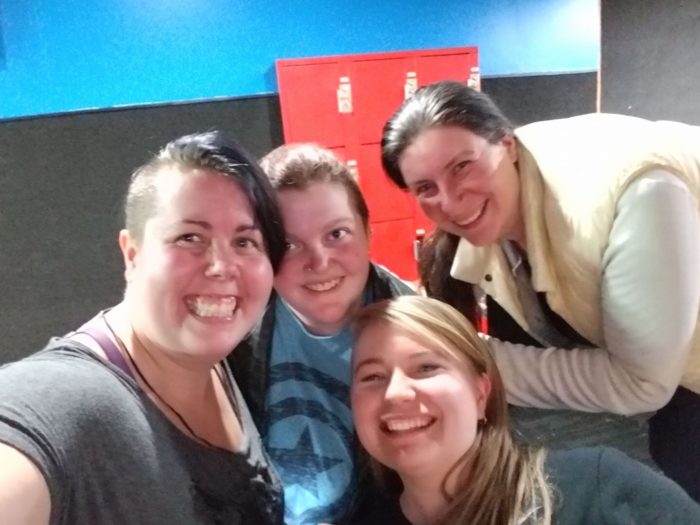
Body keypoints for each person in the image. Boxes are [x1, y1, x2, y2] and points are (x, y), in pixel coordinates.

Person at [380, 81, 700, 498]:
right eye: (425, 188)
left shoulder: (635, 196)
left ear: (507, 144)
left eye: (462, 165)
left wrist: (465, 361)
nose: (451, 203)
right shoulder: (502, 213)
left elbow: (641, 384)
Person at [0, 131, 287, 525]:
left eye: (246, 241)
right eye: (190, 238)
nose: (221, 266)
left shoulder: (221, 359)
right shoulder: (65, 401)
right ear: (132, 254)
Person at [351, 295, 700, 525]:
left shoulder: (598, 491)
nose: (395, 392)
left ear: (480, 394)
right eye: (372, 376)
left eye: (425, 368)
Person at [228, 143, 414, 525]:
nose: (319, 261)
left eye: (337, 234)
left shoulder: (420, 333)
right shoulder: (232, 329)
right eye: (289, 244)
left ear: (367, 232)